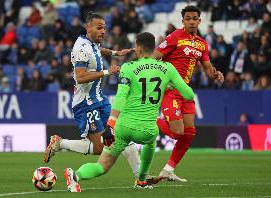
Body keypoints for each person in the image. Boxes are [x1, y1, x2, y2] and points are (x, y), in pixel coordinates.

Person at [63, 32, 195, 192]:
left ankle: (76, 176)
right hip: (147, 129)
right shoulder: (167, 68)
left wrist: (110, 124)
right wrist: (169, 85)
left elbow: (121, 97)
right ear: (153, 49)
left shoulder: (128, 67)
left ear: (138, 49)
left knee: (102, 166)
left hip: (122, 127)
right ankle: (141, 180)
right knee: (151, 139)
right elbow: (188, 94)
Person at [44, 12, 141, 183]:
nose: (103, 31)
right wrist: (106, 71)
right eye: (99, 28)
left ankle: (140, 179)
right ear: (88, 28)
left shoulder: (91, 43)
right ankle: (60, 143)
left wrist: (117, 53)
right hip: (86, 104)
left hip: (99, 99)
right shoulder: (82, 48)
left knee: (122, 134)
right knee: (99, 148)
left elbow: (98, 50)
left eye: (104, 28)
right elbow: (80, 76)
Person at [153, 5, 224, 182]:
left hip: (186, 91)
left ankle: (168, 170)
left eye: (195, 18)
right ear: (183, 21)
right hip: (171, 91)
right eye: (188, 18)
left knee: (189, 133)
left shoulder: (202, 44)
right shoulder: (174, 37)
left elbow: (208, 70)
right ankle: (150, 120)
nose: (192, 21)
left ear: (200, 21)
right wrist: (163, 80)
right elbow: (153, 58)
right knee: (178, 133)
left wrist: (216, 74)